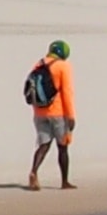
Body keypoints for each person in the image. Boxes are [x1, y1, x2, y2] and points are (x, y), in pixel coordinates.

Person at [23, 41, 76, 189]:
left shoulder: (39, 64)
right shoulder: (63, 66)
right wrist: (71, 116)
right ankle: (65, 182)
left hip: (39, 111)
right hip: (58, 112)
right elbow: (66, 92)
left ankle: (33, 171)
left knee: (44, 144)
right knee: (62, 147)